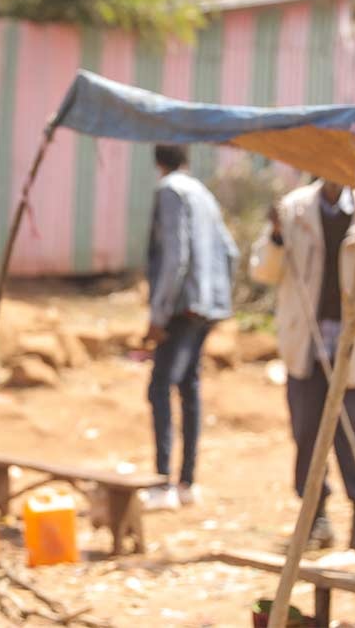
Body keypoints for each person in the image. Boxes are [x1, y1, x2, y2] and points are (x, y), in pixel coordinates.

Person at [250, 177, 355, 559]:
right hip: (305, 343)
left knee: (353, 432)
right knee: (307, 432)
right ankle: (315, 519)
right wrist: (275, 234)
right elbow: (263, 271)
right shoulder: (292, 209)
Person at [141, 144, 238, 511]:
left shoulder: (170, 191)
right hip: (208, 306)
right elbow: (230, 252)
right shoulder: (204, 194)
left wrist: (158, 314)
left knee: (160, 388)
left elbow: (176, 256)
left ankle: (163, 481)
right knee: (189, 387)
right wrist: (217, 298)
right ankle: (188, 482)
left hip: (182, 308)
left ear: (158, 164)